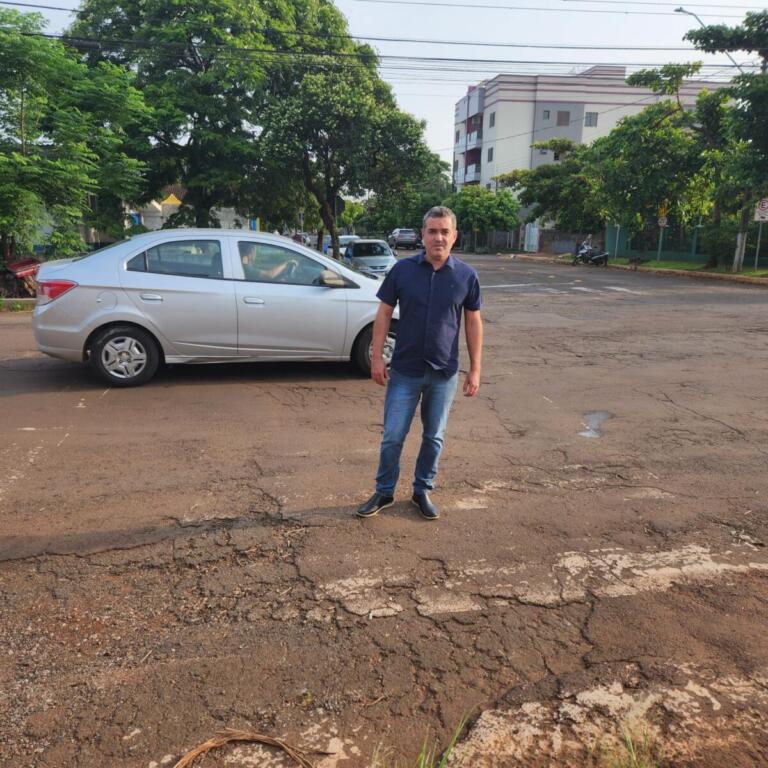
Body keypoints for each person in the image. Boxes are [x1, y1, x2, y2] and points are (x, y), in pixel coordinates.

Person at [356, 206, 483, 521]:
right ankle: (384, 491)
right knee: (393, 435)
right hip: (405, 371)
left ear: (454, 236)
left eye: (444, 231)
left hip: (443, 373)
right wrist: (376, 358)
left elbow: (473, 322)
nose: (438, 237)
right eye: (432, 231)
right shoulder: (402, 271)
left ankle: (421, 490)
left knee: (433, 436)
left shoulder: (467, 276)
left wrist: (476, 369)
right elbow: (384, 313)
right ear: (422, 235)